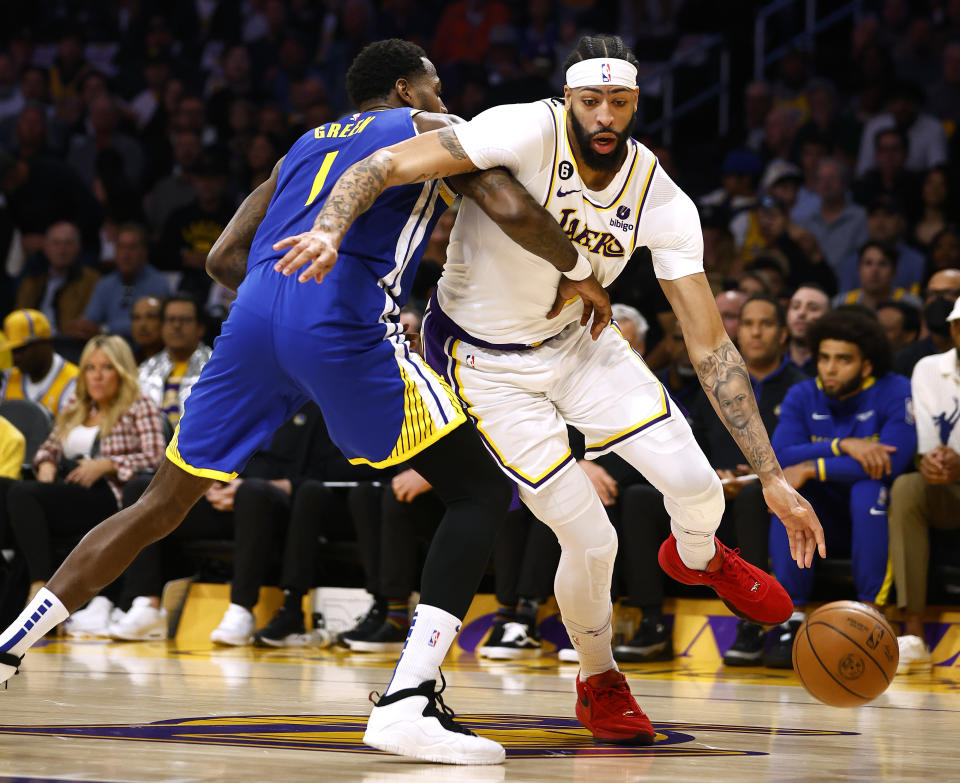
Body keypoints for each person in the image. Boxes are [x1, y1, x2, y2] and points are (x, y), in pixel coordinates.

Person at [0, 40, 611, 769]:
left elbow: (222, 258)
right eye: (437, 84)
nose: (446, 97)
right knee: (479, 490)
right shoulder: (427, 133)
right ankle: (408, 701)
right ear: (406, 87)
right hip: (339, 314)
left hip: (256, 311)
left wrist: (279, 319)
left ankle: (10, 644)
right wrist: (579, 268)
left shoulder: (301, 145)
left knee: (160, 504)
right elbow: (509, 205)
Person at [278, 33, 824, 752]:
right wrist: (327, 227)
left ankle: (697, 554)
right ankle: (600, 680)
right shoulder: (519, 128)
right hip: (485, 366)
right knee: (590, 538)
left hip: (582, 343)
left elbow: (710, 345)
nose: (604, 114)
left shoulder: (658, 194)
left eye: (619, 101)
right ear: (567, 98)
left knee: (701, 488)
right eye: (590, 100)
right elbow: (383, 162)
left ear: (635, 105)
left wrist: (775, 477)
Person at [766, 309, 915, 667]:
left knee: (869, 489)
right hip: (824, 517)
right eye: (825, 358)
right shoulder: (802, 393)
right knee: (790, 499)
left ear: (866, 366)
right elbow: (781, 455)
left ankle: (870, 615)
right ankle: (791, 619)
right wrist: (843, 446)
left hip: (873, 517)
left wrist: (813, 466)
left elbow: (892, 461)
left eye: (843, 360)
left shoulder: (895, 390)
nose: (830, 368)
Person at [6, 336, 165, 604]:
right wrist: (45, 464)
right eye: (90, 368)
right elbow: (48, 449)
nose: (97, 377)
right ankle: (24, 586)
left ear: (122, 370)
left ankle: (41, 589)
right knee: (7, 490)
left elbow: (157, 458)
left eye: (107, 368)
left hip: (110, 496)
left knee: (24, 495)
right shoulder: (76, 407)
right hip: (70, 491)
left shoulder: (139, 405)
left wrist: (108, 464)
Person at [888, 296, 960, 673]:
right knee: (907, 488)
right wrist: (930, 461)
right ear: (954, 330)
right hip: (945, 488)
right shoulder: (928, 369)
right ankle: (913, 634)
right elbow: (926, 439)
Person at [74, 223, 171, 341]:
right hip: (111, 353)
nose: (126, 254)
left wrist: (105, 331)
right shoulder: (105, 284)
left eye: (132, 247)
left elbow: (152, 327)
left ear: (145, 252)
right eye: (121, 247)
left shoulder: (158, 283)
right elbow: (88, 323)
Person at [13, 221, 99, 336]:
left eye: (68, 243)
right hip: (34, 343)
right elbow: (19, 317)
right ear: (46, 247)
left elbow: (90, 323)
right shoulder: (33, 279)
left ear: (78, 247)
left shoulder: (92, 281)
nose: (62, 250)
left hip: (70, 344)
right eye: (56, 243)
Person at [137, 294, 211, 425]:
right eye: (170, 319)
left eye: (185, 320)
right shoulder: (144, 370)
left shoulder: (216, 367)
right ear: (162, 326)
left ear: (201, 328)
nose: (176, 325)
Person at [1, 309, 78, 416]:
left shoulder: (74, 380)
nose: (16, 357)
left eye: (22, 349)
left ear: (45, 343)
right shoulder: (7, 379)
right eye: (13, 351)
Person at [834, 242, 922, 311]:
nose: (874, 270)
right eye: (868, 263)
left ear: (894, 272)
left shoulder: (911, 305)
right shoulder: (841, 304)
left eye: (883, 264)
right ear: (858, 270)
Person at [786, 284, 831, 374]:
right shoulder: (771, 362)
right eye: (795, 306)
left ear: (828, 317)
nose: (801, 313)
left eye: (813, 308)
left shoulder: (831, 368)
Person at [129, 296, 164, 363]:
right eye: (136, 317)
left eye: (151, 317)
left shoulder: (177, 358)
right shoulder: (128, 361)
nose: (142, 324)